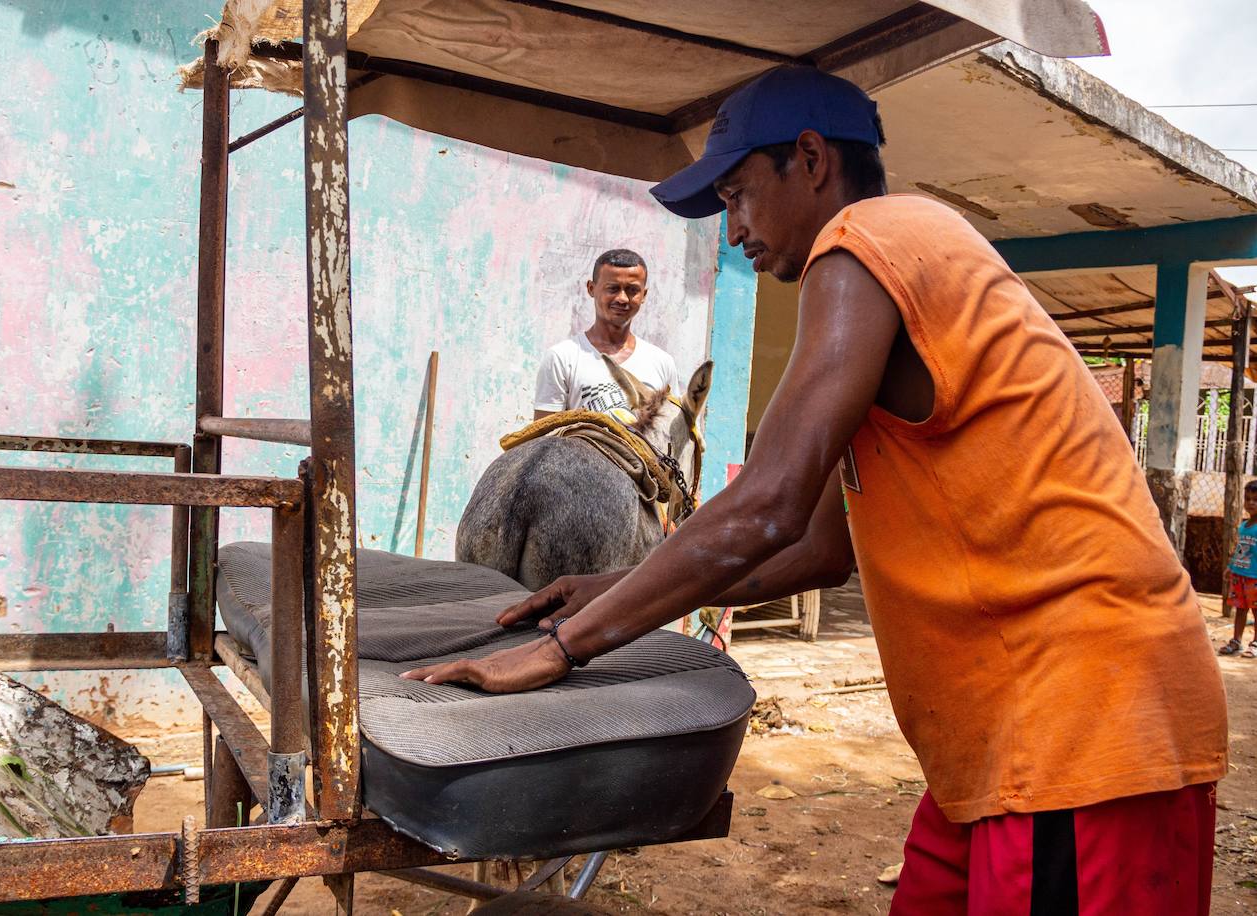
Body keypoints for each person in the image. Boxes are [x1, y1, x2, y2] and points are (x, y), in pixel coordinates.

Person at [404, 67, 1228, 913]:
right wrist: (605, 588)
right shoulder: (896, 278)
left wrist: (561, 646)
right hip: (998, 745)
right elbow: (819, 549)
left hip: (1084, 731)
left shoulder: (868, 243)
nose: (733, 232)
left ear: (809, 159)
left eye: (739, 196)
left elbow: (766, 506)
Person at [532, 249, 680, 418]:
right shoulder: (562, 358)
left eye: (632, 290)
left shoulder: (662, 362)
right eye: (613, 288)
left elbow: (672, 434)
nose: (622, 298)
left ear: (643, 295)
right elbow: (544, 439)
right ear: (591, 288)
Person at [1220, 479, 1257, 656]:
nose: (1251, 503)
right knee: (1240, 609)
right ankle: (1236, 640)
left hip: (1254, 577)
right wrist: (1230, 566)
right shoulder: (1244, 526)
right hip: (1240, 575)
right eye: (1248, 499)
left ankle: (1256, 643)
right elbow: (1240, 550)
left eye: (1255, 500)